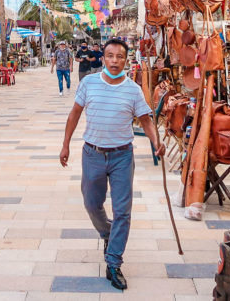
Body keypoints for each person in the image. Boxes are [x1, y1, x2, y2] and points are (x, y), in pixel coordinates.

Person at [59, 38, 164, 291]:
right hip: (92, 153)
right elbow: (74, 114)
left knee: (123, 211)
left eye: (119, 57)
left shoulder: (133, 90)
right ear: (103, 58)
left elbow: (146, 120)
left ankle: (114, 262)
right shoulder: (88, 83)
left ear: (125, 60)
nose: (115, 61)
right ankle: (107, 233)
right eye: (110, 56)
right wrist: (65, 145)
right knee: (91, 204)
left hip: (122, 156)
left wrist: (156, 141)